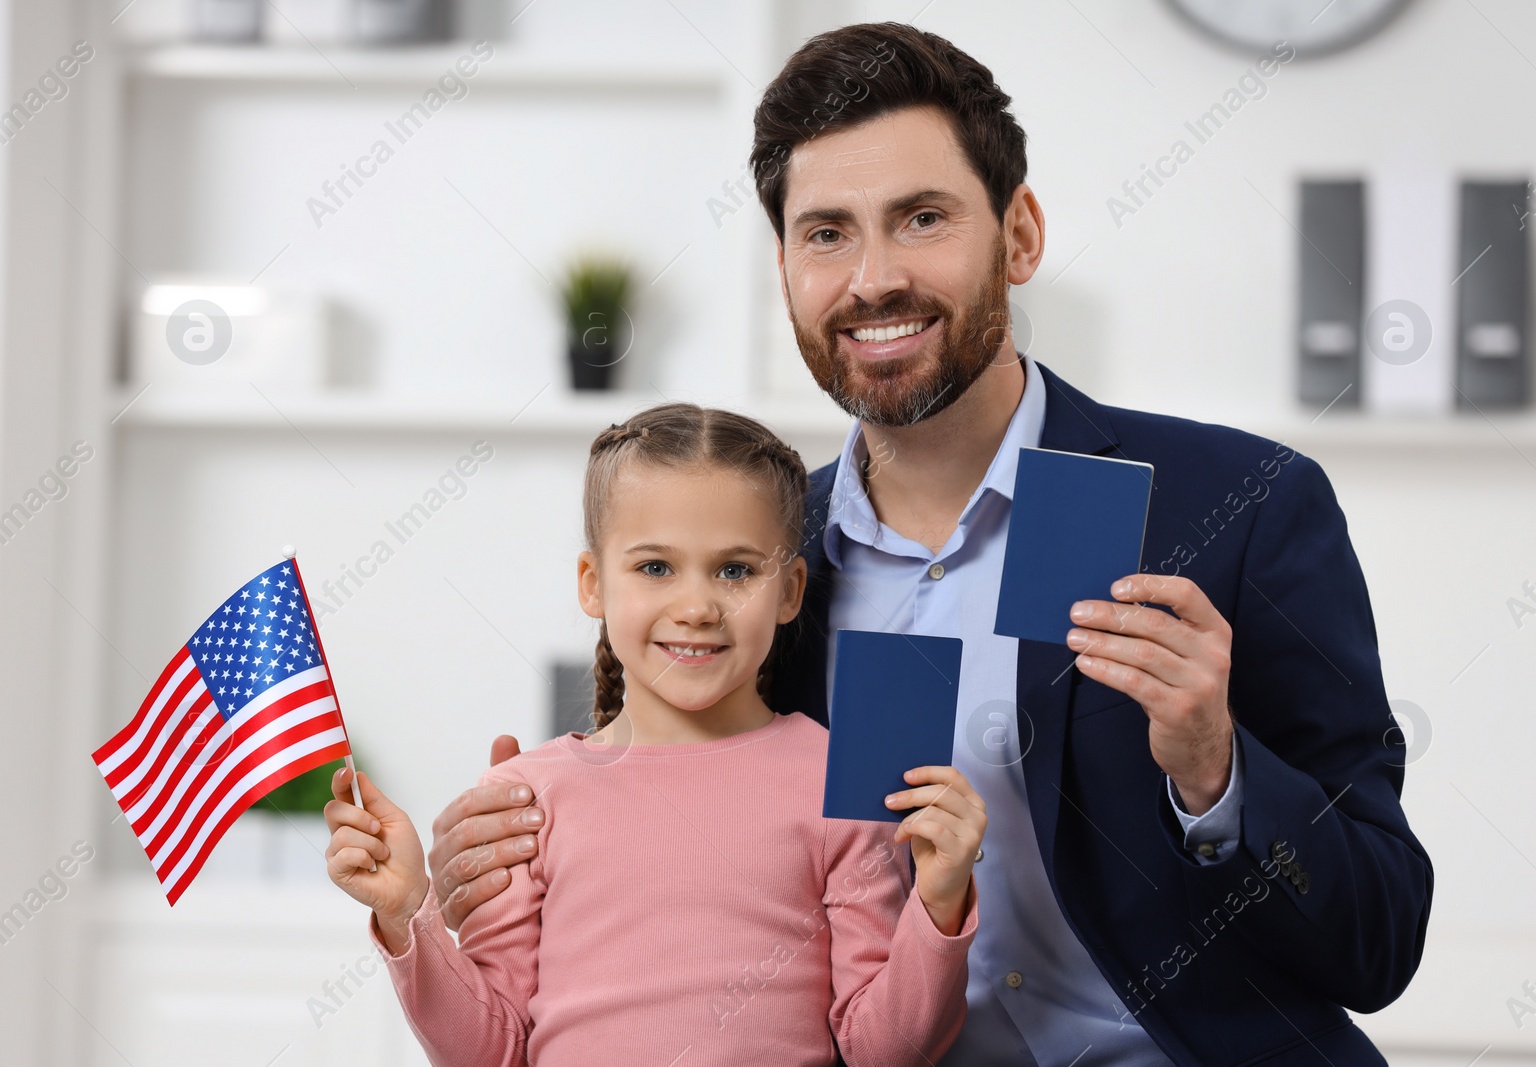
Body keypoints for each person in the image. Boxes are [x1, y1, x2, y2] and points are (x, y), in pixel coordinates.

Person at [426, 22, 1433, 1067]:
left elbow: (1380, 938)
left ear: (1020, 234)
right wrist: (519, 846)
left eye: (920, 218)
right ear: (785, 270)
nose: (871, 278)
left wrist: (1216, 773)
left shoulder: (1231, 505)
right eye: (826, 233)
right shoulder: (764, 565)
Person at [323, 402, 986, 1066]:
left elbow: (884, 1049)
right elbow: (488, 1049)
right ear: (593, 584)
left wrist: (940, 902)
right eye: (655, 567)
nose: (697, 607)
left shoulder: (835, 779)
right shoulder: (526, 797)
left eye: (735, 570)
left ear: (789, 590)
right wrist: (411, 910)